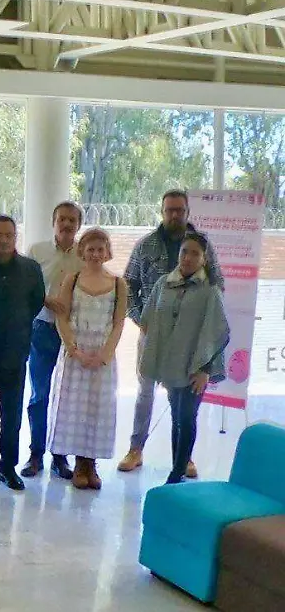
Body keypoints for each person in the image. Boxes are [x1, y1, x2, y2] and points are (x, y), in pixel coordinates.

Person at [120, 190, 222, 475]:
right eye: (169, 210)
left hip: (189, 340)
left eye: (179, 210)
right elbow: (128, 285)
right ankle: (135, 448)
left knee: (183, 397)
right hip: (153, 332)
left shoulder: (203, 245)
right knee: (145, 391)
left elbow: (218, 284)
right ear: (162, 211)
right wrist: (142, 320)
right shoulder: (146, 246)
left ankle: (183, 457)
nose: (174, 215)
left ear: (188, 212)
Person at [137, 232, 229, 485]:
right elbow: (149, 321)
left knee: (187, 417)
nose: (188, 258)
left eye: (195, 253)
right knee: (177, 417)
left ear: (204, 258)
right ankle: (176, 468)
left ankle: (176, 474)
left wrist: (205, 369)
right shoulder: (163, 284)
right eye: (184, 252)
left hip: (195, 368)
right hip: (170, 364)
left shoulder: (210, 290)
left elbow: (216, 330)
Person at [47, 227, 128, 490]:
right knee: (76, 408)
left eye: (100, 249)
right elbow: (62, 315)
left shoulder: (118, 283)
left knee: (98, 408)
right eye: (90, 248)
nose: (95, 253)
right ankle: (79, 465)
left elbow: (118, 323)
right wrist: (74, 349)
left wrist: (105, 354)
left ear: (107, 252)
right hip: (76, 352)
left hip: (103, 355)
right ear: (82, 251)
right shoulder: (72, 278)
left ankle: (91, 464)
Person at [0, 216, 45, 492]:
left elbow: (36, 303)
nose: (3, 240)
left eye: (9, 235)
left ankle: (7, 467)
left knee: (12, 417)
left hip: (15, 354)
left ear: (16, 237)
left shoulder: (30, 268)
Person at [23, 201, 84, 480]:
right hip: (41, 330)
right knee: (40, 394)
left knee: (67, 396)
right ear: (53, 221)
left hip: (73, 334)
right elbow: (24, 288)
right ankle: (36, 454)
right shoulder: (37, 251)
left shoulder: (85, 255)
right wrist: (45, 300)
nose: (67, 224)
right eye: (62, 219)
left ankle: (61, 456)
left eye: (72, 220)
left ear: (79, 224)